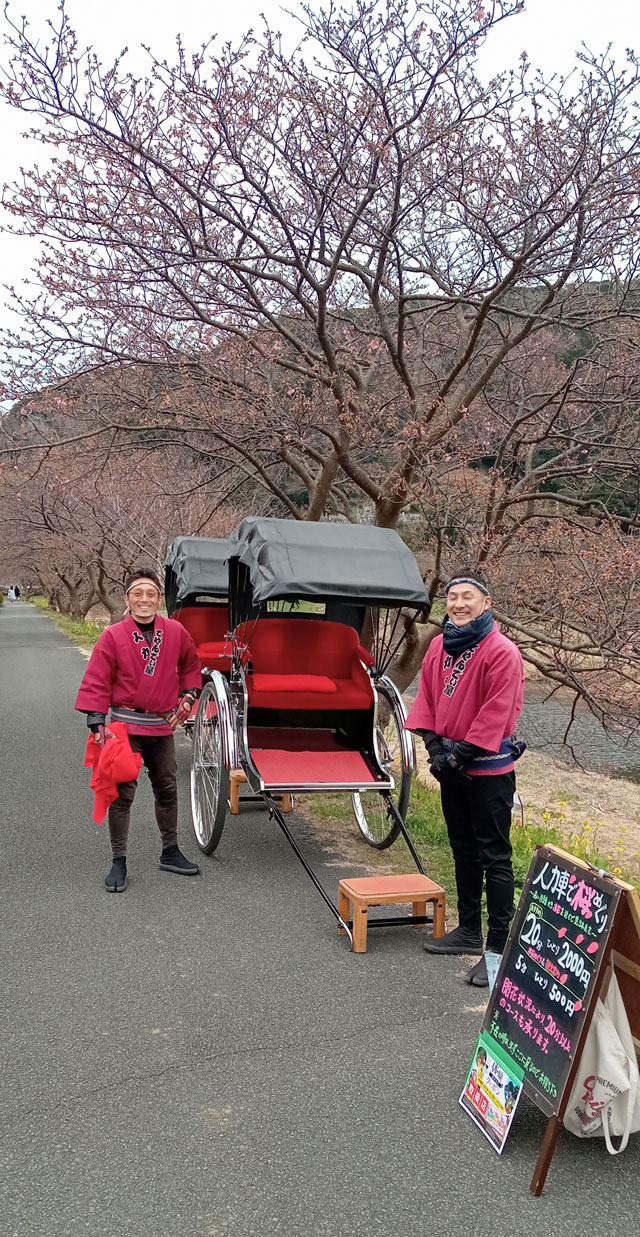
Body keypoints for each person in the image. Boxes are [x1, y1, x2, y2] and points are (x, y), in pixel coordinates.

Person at [406, 571, 525, 987]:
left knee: (495, 855)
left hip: (487, 769)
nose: (458, 604)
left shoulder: (502, 651)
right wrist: (437, 751)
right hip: (450, 765)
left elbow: (497, 711)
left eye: (467, 597)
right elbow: (427, 700)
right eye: (452, 597)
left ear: (486, 602)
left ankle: (497, 949)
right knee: (463, 848)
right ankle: (469, 929)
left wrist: (457, 756)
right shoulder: (439, 646)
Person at [75, 568, 203, 892]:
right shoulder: (112, 635)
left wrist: (189, 696)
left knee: (167, 788)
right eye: (137, 594)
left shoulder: (175, 631)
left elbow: (191, 665)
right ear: (127, 599)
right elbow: (98, 677)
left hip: (161, 725)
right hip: (124, 725)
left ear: (159, 600)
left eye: (151, 594)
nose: (144, 600)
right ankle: (119, 860)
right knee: (121, 794)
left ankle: (170, 851)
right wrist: (96, 720)